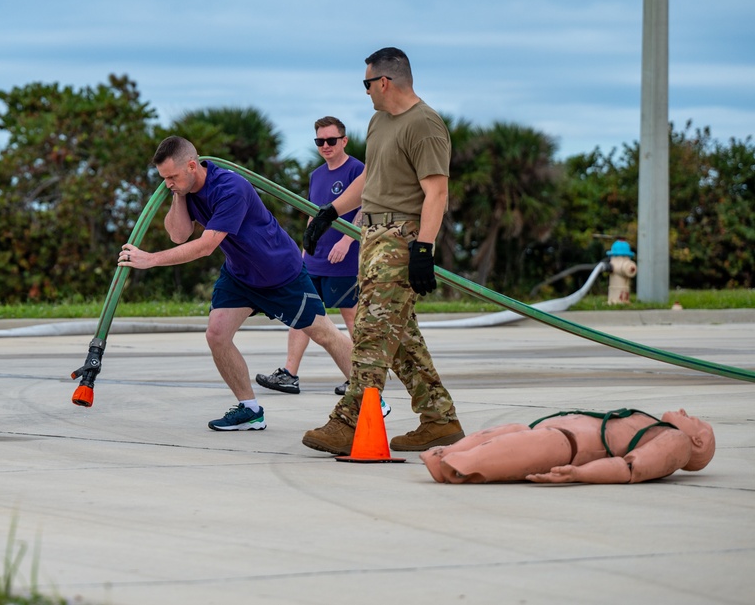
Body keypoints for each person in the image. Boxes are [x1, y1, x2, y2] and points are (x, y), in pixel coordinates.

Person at [118, 136, 353, 431]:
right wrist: (178, 193)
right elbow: (178, 235)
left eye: (172, 177)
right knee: (217, 334)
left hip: (279, 273)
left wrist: (150, 259)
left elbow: (205, 246)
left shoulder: (230, 188)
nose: (167, 184)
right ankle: (250, 409)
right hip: (240, 275)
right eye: (164, 178)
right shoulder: (186, 189)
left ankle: (370, 396)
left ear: (192, 166)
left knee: (324, 334)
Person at [301, 46, 464, 456]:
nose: (366, 91)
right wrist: (331, 211)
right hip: (371, 236)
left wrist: (423, 249)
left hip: (400, 238)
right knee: (401, 337)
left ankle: (349, 420)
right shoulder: (379, 121)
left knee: (372, 333)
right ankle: (440, 420)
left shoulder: (424, 125)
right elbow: (371, 176)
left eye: (367, 83)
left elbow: (436, 191)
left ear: (385, 82)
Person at [256, 116, 363, 397]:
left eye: (331, 140)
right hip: (314, 259)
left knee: (351, 317)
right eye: (320, 141)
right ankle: (289, 374)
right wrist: (305, 246)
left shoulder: (357, 170)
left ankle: (362, 376)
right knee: (300, 313)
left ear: (344, 140)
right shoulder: (316, 175)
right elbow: (313, 213)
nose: (325, 146)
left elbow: (367, 208)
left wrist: (347, 240)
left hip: (345, 259)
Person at [420, 408, 715, 484]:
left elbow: (630, 468)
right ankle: (446, 456)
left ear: (697, 440)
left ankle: (453, 465)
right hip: (550, 432)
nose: (685, 412)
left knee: (469, 462)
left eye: (695, 421)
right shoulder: (651, 424)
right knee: (513, 433)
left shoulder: (677, 442)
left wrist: (579, 473)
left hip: (564, 445)